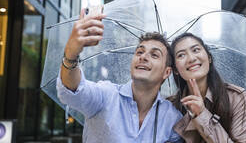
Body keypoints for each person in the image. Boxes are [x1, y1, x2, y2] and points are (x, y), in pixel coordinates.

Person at [57, 9, 183, 143]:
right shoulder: (105, 96)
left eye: (154, 55)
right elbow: (73, 89)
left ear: (166, 72)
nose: (143, 57)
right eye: (139, 52)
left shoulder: (172, 119)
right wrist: (71, 53)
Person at [169, 32, 246, 143]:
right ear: (175, 70)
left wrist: (202, 114)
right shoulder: (170, 107)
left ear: (209, 58)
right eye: (181, 55)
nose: (191, 58)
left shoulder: (237, 97)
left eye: (195, 50)